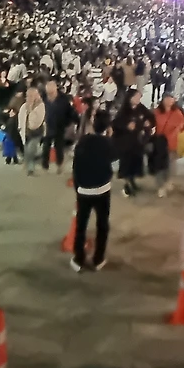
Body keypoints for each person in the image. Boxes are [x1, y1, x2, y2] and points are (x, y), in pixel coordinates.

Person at [70, 109, 115, 273]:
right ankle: (98, 258)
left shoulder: (82, 142)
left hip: (84, 191)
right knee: (102, 224)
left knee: (81, 225)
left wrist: (78, 188)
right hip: (103, 189)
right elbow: (113, 164)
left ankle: (78, 258)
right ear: (108, 127)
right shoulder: (109, 144)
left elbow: (75, 167)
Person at [152, 92, 184, 197]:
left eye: (171, 98)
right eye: (166, 98)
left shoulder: (177, 112)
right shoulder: (156, 112)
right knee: (160, 165)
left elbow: (182, 124)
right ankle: (160, 186)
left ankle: (168, 182)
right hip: (160, 143)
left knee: (171, 166)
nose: (169, 101)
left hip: (173, 143)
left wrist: (177, 130)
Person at [42, 79, 75, 173]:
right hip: (47, 126)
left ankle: (59, 164)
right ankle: (45, 165)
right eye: (48, 92)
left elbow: (69, 111)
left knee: (59, 147)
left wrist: (68, 122)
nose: (50, 94)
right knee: (46, 146)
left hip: (59, 126)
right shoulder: (43, 97)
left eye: (51, 92)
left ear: (55, 89)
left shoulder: (63, 98)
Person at [19, 85, 47, 176]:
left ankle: (30, 168)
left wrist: (31, 110)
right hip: (26, 132)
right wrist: (20, 127)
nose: (29, 98)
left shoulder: (40, 105)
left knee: (31, 149)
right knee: (27, 149)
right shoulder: (24, 106)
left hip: (36, 132)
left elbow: (37, 121)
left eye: (31, 95)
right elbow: (21, 117)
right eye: (28, 95)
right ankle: (27, 163)